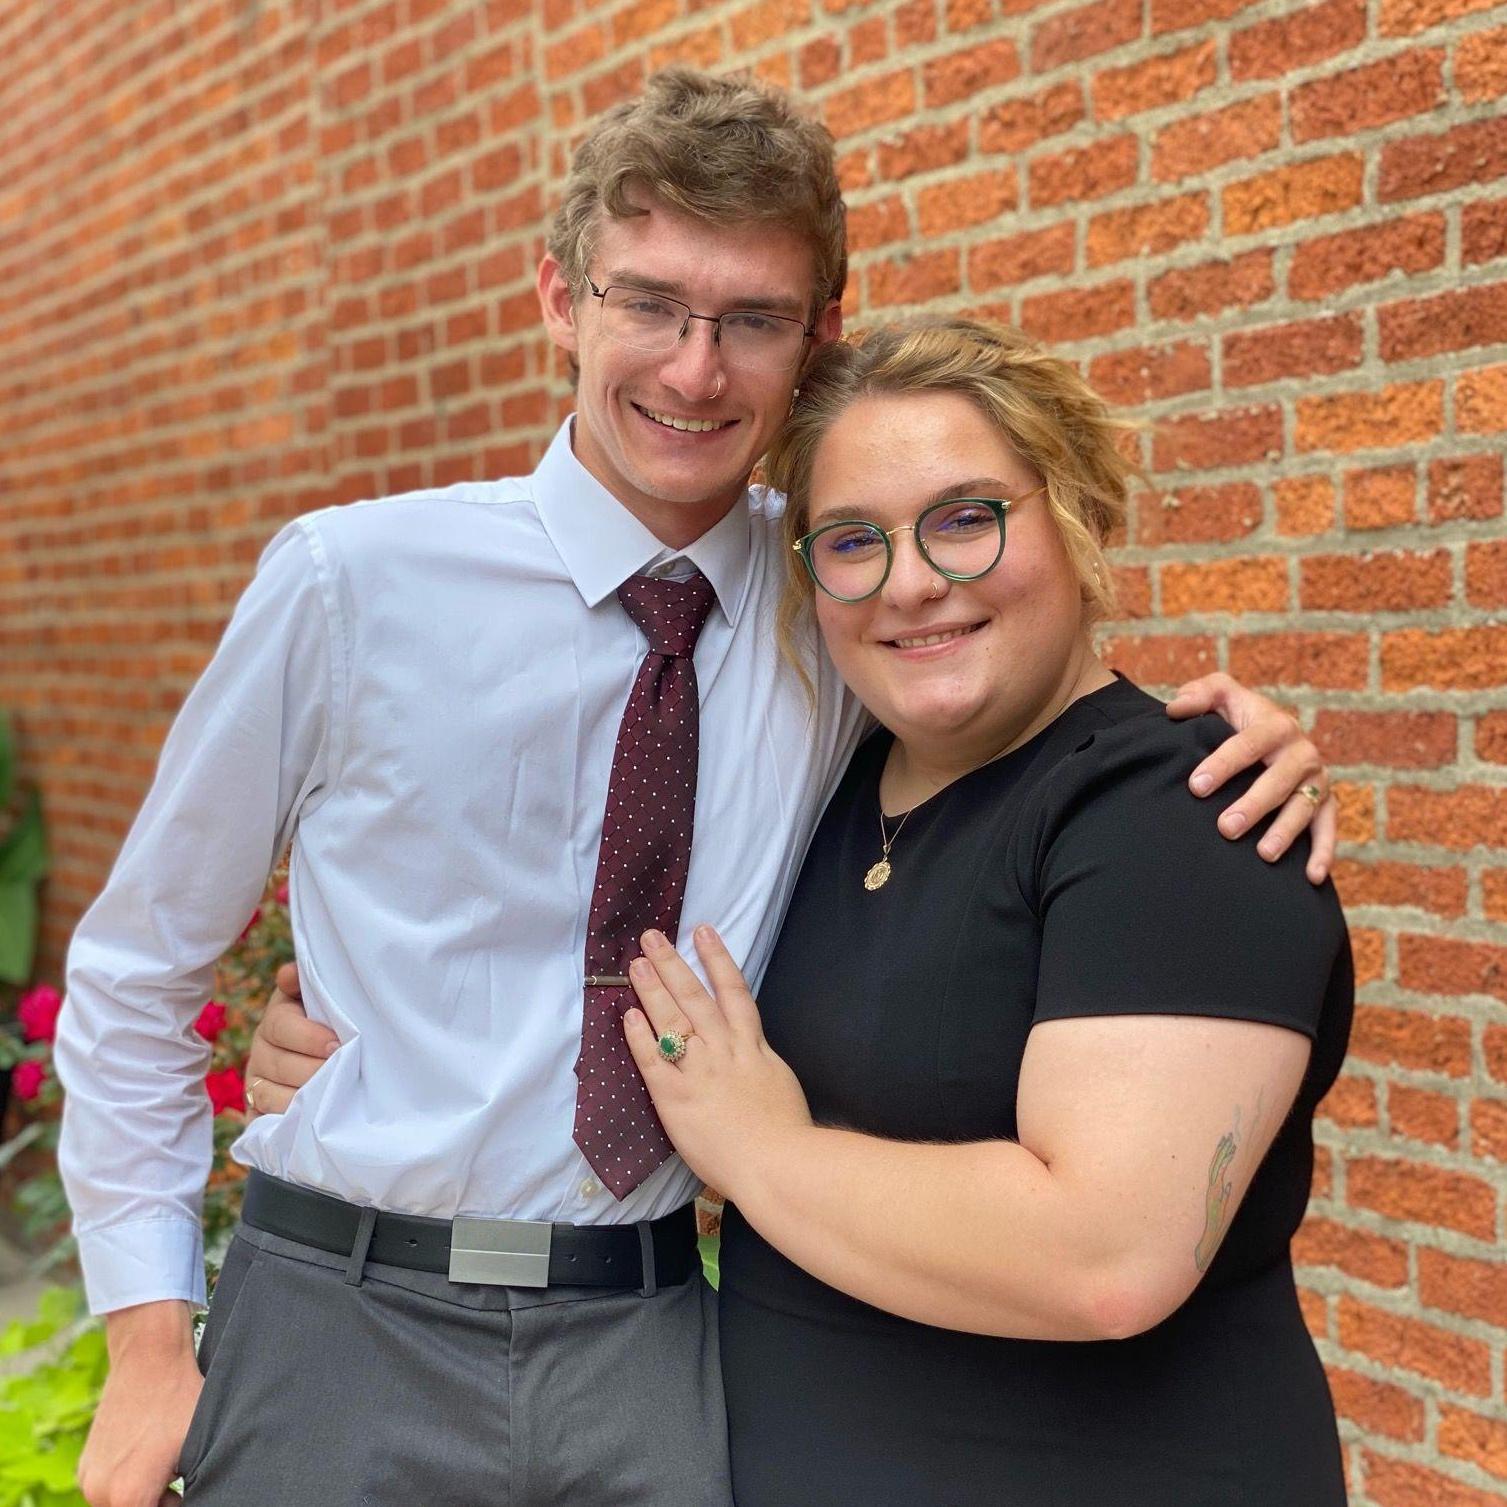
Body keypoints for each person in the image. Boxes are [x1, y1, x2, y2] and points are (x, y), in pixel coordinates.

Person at [55, 68, 1333, 1507]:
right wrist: (150, 1339)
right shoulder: (351, 582)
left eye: (751, 320)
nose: (692, 368)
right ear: (560, 298)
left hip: (651, 1336)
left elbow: (996, 666)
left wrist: (1210, 737)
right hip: (347, 1314)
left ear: (817, 332)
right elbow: (134, 968)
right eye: (649, 302)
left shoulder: (832, 601)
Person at [617, 318, 1353, 1504]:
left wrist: (758, 1149)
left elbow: (1105, 1255)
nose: (912, 582)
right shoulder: (830, 788)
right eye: (853, 541)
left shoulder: (1177, 815)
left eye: (965, 518)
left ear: (1074, 516)